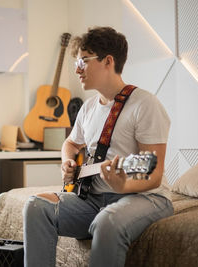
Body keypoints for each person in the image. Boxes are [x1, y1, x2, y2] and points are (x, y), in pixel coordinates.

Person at [23, 26, 174, 267]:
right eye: (76, 62)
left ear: (108, 61)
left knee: (107, 221)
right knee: (35, 206)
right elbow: (71, 142)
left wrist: (124, 185)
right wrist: (67, 161)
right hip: (93, 199)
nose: (77, 69)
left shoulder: (145, 104)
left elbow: (153, 174)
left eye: (83, 60)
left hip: (145, 197)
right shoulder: (89, 107)